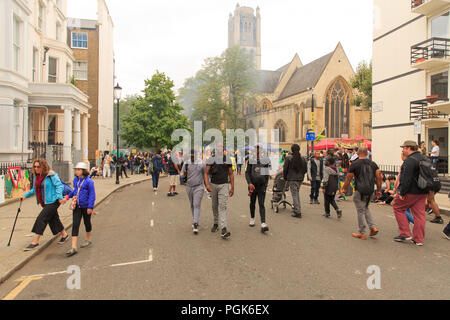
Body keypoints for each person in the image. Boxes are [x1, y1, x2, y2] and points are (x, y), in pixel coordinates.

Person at [21, 159, 69, 251]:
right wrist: (24, 196)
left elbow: (59, 186)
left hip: (53, 201)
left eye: (38, 167)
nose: (36, 168)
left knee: (41, 218)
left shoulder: (51, 175)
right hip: (45, 202)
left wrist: (59, 197)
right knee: (53, 218)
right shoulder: (37, 176)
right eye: (34, 167)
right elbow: (34, 189)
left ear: (43, 166)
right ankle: (64, 235)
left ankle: (35, 242)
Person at [341, 147, 382, 240]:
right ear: (367, 153)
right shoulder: (373, 164)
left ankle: (362, 232)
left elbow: (348, 178)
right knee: (365, 208)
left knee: (360, 210)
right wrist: (379, 190)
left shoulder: (355, 164)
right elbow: (379, 177)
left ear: (358, 153)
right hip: (370, 190)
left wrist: (344, 189)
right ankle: (372, 227)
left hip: (359, 190)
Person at [393, 141, 429, 246]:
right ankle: (418, 239)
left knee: (398, 207)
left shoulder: (409, 160)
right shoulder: (424, 158)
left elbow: (406, 178)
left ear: (409, 148)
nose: (403, 150)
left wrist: (402, 192)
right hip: (423, 191)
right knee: (420, 215)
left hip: (411, 191)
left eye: (404, 148)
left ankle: (405, 233)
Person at [62, 162, 96, 257]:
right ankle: (74, 247)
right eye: (76, 169)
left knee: (87, 223)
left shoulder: (89, 182)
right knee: (75, 224)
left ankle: (88, 239)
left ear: (83, 171)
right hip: (77, 206)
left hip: (86, 206)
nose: (76, 171)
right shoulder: (76, 180)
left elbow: (92, 195)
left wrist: (90, 207)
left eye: (78, 169)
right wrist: (67, 197)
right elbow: (75, 192)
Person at [204, 146, 234, 239]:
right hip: (213, 185)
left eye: (221, 147)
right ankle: (216, 223)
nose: (219, 148)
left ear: (223, 149)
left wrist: (232, 187)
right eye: (217, 147)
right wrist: (207, 185)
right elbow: (206, 172)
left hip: (224, 185)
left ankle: (224, 228)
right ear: (215, 149)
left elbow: (231, 174)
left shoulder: (227, 159)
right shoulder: (211, 159)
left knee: (222, 206)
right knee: (214, 205)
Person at [245, 145, 271, 233]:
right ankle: (252, 218)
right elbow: (247, 173)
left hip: (261, 186)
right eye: (256, 151)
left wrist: (265, 186)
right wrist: (249, 183)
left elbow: (266, 175)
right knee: (252, 203)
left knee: (261, 204)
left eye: (259, 151)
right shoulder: (250, 161)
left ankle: (263, 223)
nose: (258, 153)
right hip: (253, 186)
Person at [181, 150, 206, 235]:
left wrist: (207, 186)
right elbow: (182, 174)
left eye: (193, 156)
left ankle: (195, 224)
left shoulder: (201, 163)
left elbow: (205, 174)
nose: (192, 157)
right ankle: (195, 220)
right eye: (191, 156)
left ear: (196, 155)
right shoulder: (186, 163)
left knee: (196, 204)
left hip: (199, 186)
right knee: (192, 204)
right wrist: (184, 174)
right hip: (189, 187)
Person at [283, 144, 307, 219]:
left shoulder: (288, 158)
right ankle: (297, 208)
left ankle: (297, 211)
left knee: (295, 195)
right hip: (300, 179)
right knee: (296, 194)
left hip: (292, 179)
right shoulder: (303, 158)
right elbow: (305, 170)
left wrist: (285, 177)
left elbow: (285, 169)